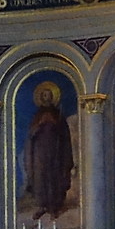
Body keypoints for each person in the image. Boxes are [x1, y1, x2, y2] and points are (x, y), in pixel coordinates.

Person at [23, 79, 75, 221]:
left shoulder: (58, 116)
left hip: (55, 153)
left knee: (54, 178)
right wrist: (39, 126)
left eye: (49, 95)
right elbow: (31, 136)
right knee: (40, 179)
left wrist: (55, 126)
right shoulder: (37, 117)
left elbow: (64, 136)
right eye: (44, 95)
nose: (46, 98)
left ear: (52, 97)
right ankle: (42, 206)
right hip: (39, 154)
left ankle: (54, 207)